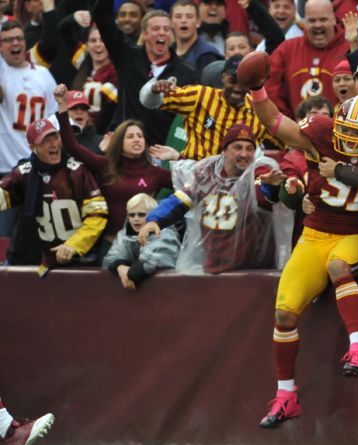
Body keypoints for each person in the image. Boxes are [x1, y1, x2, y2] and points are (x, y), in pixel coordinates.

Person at [251, 82, 358, 427]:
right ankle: (286, 395)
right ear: (334, 123)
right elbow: (275, 122)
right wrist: (258, 91)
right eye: (345, 131)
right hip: (314, 234)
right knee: (284, 313)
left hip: (352, 234)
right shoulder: (320, 132)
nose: (349, 140)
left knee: (338, 266)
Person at [139, 123, 284, 274]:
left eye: (249, 149)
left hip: (252, 270)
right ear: (224, 151)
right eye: (238, 147)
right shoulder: (206, 172)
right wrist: (155, 219)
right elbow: (180, 199)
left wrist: (271, 188)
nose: (244, 154)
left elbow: (264, 198)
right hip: (213, 266)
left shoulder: (260, 170)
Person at [55, 84, 171, 240]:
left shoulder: (156, 173)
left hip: (146, 244)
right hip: (110, 244)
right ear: (119, 143)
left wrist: (178, 158)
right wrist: (62, 106)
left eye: (140, 136)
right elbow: (72, 146)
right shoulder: (106, 166)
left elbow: (191, 185)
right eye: (130, 137)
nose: (136, 140)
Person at [0, 118, 108, 274]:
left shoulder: (78, 172)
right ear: (32, 147)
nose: (54, 144)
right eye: (45, 140)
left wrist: (74, 245)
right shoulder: (23, 174)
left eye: (55, 137)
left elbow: (97, 215)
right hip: (28, 262)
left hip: (75, 264)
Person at [141, 55, 281, 161]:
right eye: (232, 80)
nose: (238, 88)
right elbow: (148, 101)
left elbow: (285, 141)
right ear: (223, 78)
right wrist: (154, 89)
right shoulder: (200, 95)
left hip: (237, 185)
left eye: (243, 82)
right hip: (195, 178)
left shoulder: (259, 110)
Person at [93, 1, 195, 145]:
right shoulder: (126, 56)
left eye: (166, 29)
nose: (161, 32)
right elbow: (101, 16)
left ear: (171, 35)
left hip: (161, 153)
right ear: (145, 34)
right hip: (125, 147)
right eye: (156, 28)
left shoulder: (187, 73)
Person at [264, 0, 348, 117]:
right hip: (294, 132)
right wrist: (289, 123)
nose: (317, 25)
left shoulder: (349, 49)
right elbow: (270, 87)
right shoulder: (287, 49)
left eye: (323, 19)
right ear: (305, 22)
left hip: (339, 131)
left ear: (333, 19)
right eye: (312, 20)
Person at [0, 21, 56, 177]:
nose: (15, 43)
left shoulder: (43, 74)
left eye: (19, 38)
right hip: (5, 168)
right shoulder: (2, 74)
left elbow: (54, 119)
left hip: (37, 166)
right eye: (8, 40)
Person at [103, 192, 179, 290]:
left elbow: (160, 257)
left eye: (141, 214)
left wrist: (135, 271)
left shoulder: (165, 233)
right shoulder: (123, 235)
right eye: (131, 215)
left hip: (166, 289)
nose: (136, 219)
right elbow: (112, 256)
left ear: (153, 214)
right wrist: (120, 267)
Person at [171, 0, 222, 71]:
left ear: (198, 22)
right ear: (171, 23)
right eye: (178, 17)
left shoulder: (207, 55)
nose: (183, 20)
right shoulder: (167, 52)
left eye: (189, 16)